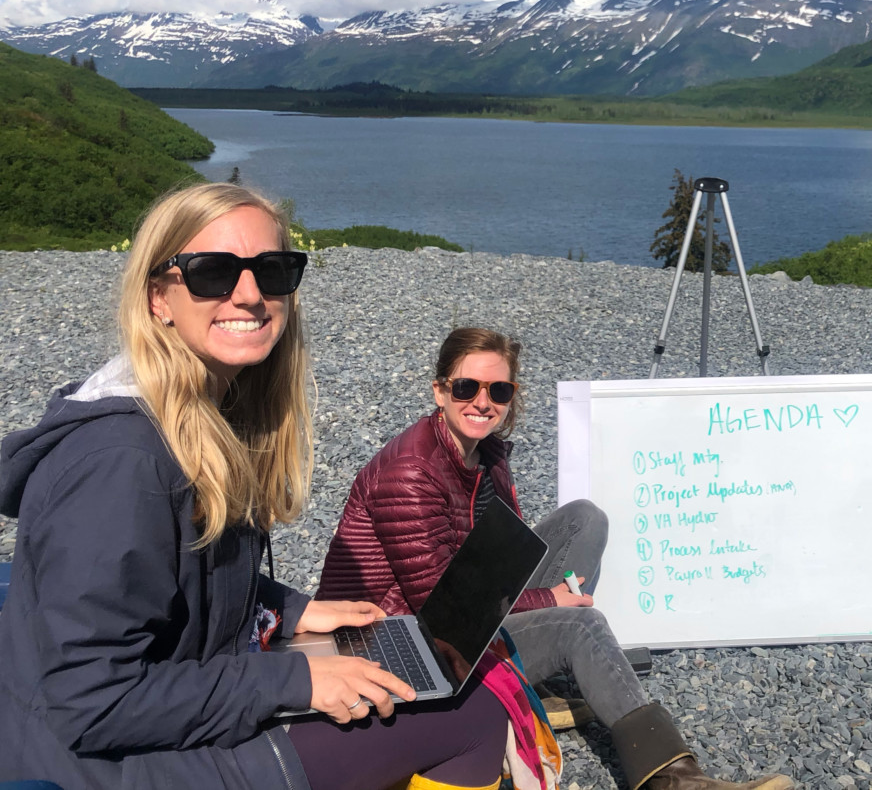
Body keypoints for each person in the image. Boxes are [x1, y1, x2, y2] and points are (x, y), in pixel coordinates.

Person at [0, 184, 509, 790]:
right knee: (470, 715)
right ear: (157, 297)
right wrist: (297, 682)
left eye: (272, 270)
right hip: (94, 764)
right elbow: (91, 702)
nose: (249, 294)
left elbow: (175, 575)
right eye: (211, 272)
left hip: (150, 722)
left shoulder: (198, 413)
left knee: (428, 683)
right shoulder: (121, 464)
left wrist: (288, 609)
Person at [317, 327, 795, 790]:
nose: (483, 403)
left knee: (584, 518)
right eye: (466, 387)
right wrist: (551, 600)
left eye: (499, 390)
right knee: (580, 625)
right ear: (439, 391)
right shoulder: (410, 471)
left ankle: (546, 680)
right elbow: (443, 608)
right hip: (400, 640)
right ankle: (676, 780)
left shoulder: (485, 453)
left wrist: (545, 596)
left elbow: (508, 555)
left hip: (463, 607)